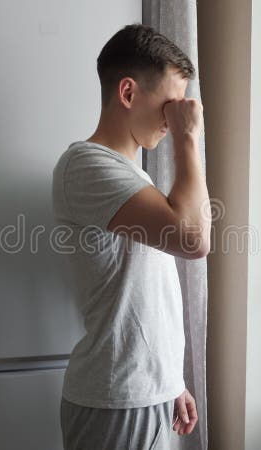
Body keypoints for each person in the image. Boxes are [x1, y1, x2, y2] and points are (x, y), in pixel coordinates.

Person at [51, 23, 210, 450]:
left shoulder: (133, 176)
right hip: (115, 401)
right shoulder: (85, 165)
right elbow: (193, 239)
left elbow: (147, 294)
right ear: (127, 93)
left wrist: (170, 380)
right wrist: (188, 137)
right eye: (171, 104)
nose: (175, 116)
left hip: (145, 393)